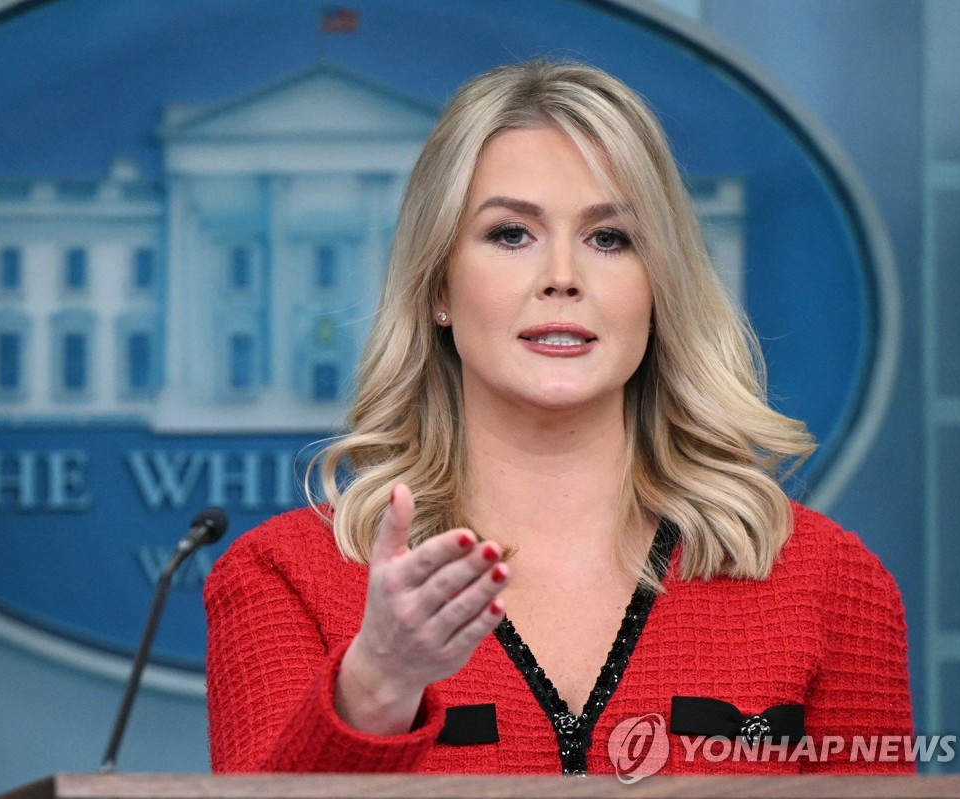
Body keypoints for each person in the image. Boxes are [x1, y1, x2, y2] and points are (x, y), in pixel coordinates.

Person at [203, 60, 913, 775]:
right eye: (512, 234)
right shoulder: (282, 577)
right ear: (437, 288)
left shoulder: (830, 583)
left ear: (658, 287)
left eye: (611, 238)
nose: (563, 276)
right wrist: (378, 683)